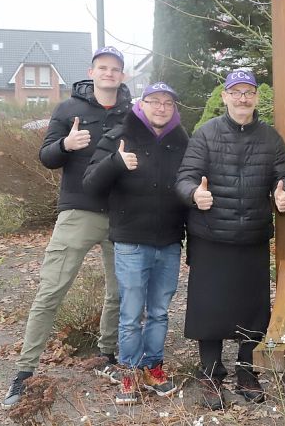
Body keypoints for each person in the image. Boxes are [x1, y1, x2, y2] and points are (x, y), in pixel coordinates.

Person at [2, 47, 131, 408]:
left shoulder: (132, 112)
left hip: (121, 215)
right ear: (92, 71)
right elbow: (46, 157)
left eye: (115, 69)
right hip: (79, 212)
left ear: (122, 75)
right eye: (102, 68)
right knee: (50, 292)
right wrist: (65, 144)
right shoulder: (67, 109)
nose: (108, 74)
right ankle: (25, 371)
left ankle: (108, 354)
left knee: (119, 292)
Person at [174, 70, 285, 410]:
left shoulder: (270, 138)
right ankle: (211, 374)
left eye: (249, 92)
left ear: (256, 98)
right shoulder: (206, 134)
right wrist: (193, 195)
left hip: (253, 235)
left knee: (253, 309)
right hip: (210, 236)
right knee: (209, 309)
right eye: (236, 92)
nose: (243, 98)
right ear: (225, 96)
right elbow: (185, 177)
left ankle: (246, 372)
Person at [82, 82, 188, 405]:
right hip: (130, 242)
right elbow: (89, 183)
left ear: (173, 108)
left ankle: (153, 367)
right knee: (130, 312)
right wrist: (115, 162)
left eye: (167, 102)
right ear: (142, 104)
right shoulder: (119, 134)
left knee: (159, 311)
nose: (161, 107)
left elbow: (191, 185)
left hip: (169, 241)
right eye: (154, 101)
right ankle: (128, 372)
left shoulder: (182, 140)